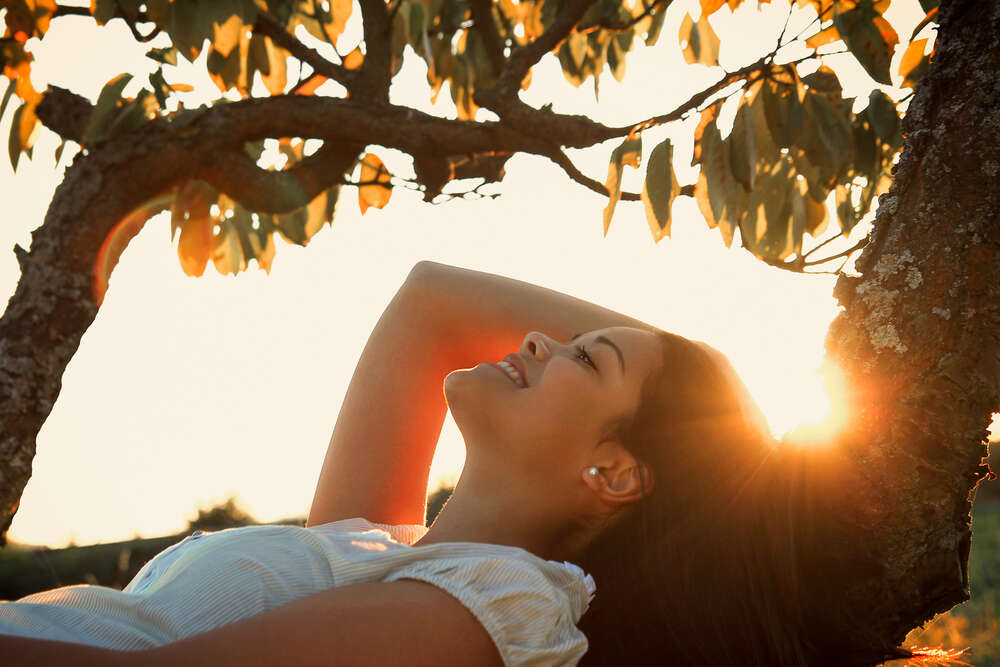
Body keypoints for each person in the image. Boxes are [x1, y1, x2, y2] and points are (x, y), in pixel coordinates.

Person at [0, 261, 844, 666]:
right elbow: (432, 299)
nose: (538, 339)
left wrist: (716, 432)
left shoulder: (491, 610)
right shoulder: (368, 549)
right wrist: (722, 419)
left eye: (585, 361)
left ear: (618, 473)